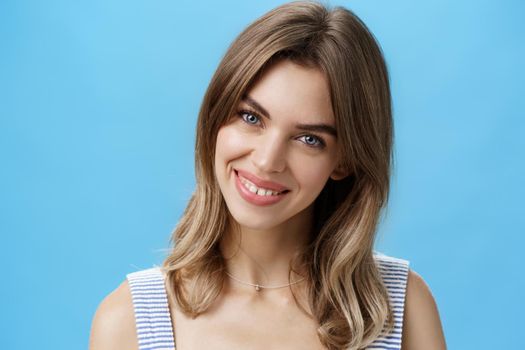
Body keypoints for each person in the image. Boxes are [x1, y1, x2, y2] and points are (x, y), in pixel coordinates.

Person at [89, 1, 446, 349]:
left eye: (309, 139)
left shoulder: (400, 310)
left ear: (345, 161)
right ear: (216, 118)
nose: (266, 161)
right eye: (251, 117)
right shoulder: (130, 323)